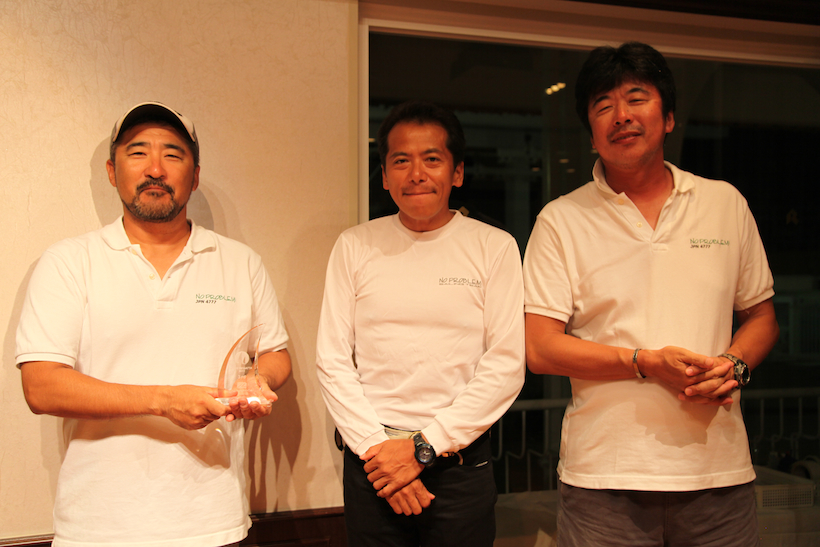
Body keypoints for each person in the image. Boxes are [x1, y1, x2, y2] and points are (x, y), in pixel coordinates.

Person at [523, 42, 779, 547]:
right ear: (591, 133)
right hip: (603, 481)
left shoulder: (724, 203)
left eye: (636, 98)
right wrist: (644, 362)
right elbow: (540, 348)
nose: (621, 115)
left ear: (668, 117)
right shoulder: (561, 220)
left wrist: (735, 364)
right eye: (603, 106)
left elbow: (762, 317)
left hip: (718, 475)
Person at [16, 102, 291, 547]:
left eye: (173, 154)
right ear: (112, 171)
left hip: (214, 519)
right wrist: (164, 401)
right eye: (138, 152)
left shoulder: (240, 262)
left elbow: (276, 354)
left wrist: (257, 380)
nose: (156, 169)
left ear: (194, 176)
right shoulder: (69, 261)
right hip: (99, 526)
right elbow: (42, 387)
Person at [316, 100, 525, 546]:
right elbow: (332, 360)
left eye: (432, 159)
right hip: (372, 463)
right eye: (401, 161)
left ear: (457, 172)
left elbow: (506, 364)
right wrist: (380, 454)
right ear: (384, 175)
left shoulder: (495, 247)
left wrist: (422, 449)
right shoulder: (355, 245)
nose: (416, 174)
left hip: (459, 465)